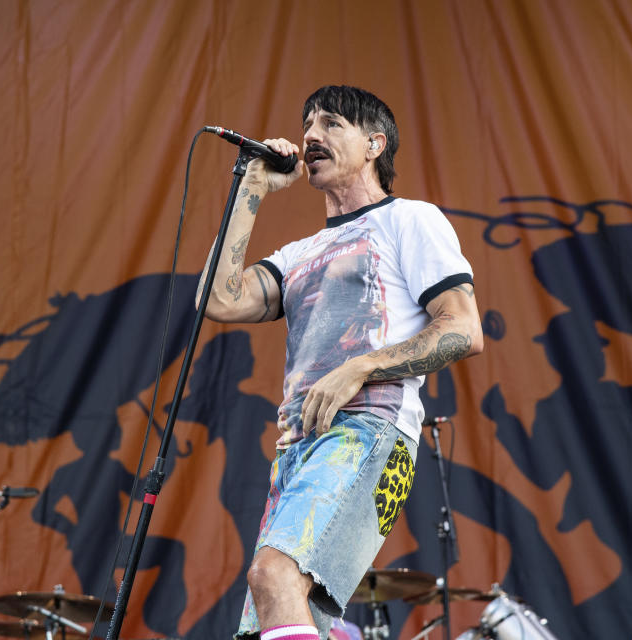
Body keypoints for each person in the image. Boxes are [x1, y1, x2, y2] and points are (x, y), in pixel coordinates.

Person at [197, 85, 483, 640]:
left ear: (374, 143)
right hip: (300, 448)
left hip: (372, 432)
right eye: (307, 125)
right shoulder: (298, 255)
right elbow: (219, 300)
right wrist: (251, 188)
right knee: (277, 619)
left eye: (331, 123)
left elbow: (463, 328)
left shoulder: (409, 220)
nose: (310, 136)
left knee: (274, 574)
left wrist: (360, 367)